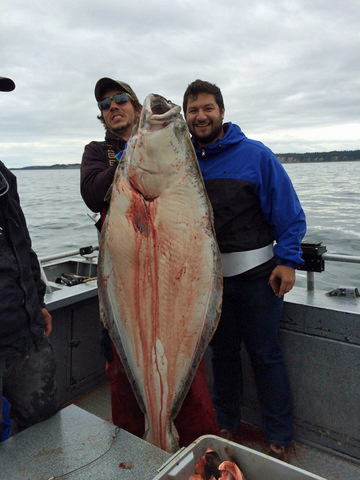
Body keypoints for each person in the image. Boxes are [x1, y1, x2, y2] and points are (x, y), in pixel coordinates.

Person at [80, 77, 220, 446]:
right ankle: (137, 457)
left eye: (121, 99)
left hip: (176, 286)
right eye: (106, 104)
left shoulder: (165, 151)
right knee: (124, 386)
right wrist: (134, 156)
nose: (113, 106)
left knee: (193, 396)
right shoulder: (97, 152)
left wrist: (146, 145)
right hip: (126, 286)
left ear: (136, 109)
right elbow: (94, 193)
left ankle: (197, 457)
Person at [183, 79, 306, 462]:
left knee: (266, 356)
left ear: (222, 111)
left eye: (208, 108)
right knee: (222, 356)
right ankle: (226, 424)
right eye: (193, 110)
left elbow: (288, 211)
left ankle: (279, 433)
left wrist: (287, 260)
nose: (201, 116)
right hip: (212, 283)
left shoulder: (255, 155)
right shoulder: (184, 163)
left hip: (258, 278)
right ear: (186, 117)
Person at [0, 76, 59, 440]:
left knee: (42, 438)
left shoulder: (4, 176)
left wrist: (36, 301)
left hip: (27, 337)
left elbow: (22, 246)